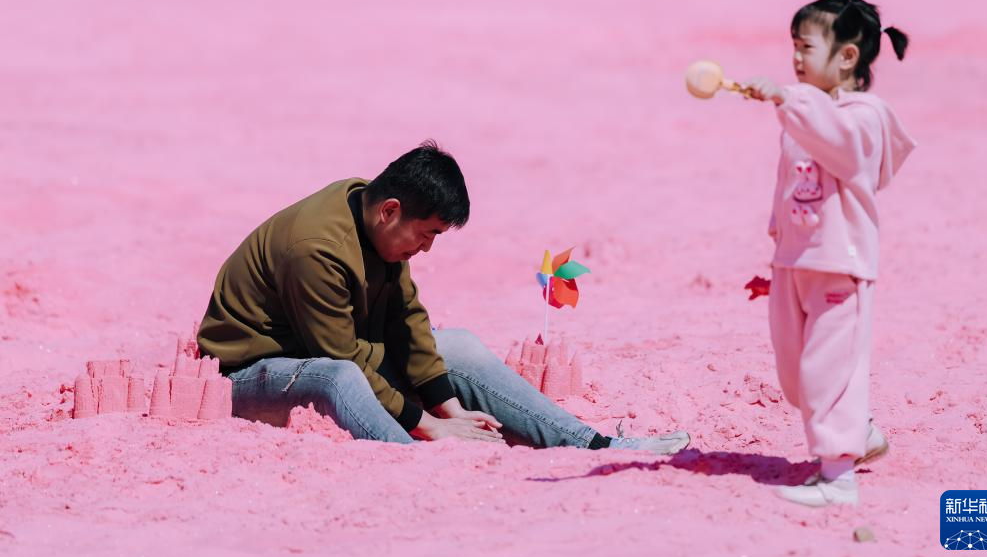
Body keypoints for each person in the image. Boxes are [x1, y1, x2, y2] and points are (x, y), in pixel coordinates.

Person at [197, 141, 691, 454]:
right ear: (391, 210)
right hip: (253, 374)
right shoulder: (317, 249)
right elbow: (339, 355)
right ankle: (416, 459)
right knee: (341, 376)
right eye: (427, 233)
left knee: (457, 344)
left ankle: (594, 443)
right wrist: (428, 425)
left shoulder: (370, 210)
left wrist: (448, 406)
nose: (427, 248)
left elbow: (407, 315)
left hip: (334, 351)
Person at [741, 0, 916, 506]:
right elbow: (791, 184)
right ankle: (859, 432)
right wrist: (778, 242)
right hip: (795, 262)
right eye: (793, 46)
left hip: (841, 265)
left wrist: (786, 100)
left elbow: (836, 142)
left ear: (847, 56)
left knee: (828, 371)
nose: (795, 57)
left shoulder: (863, 117)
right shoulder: (805, 113)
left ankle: (838, 479)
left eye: (806, 46)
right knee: (796, 376)